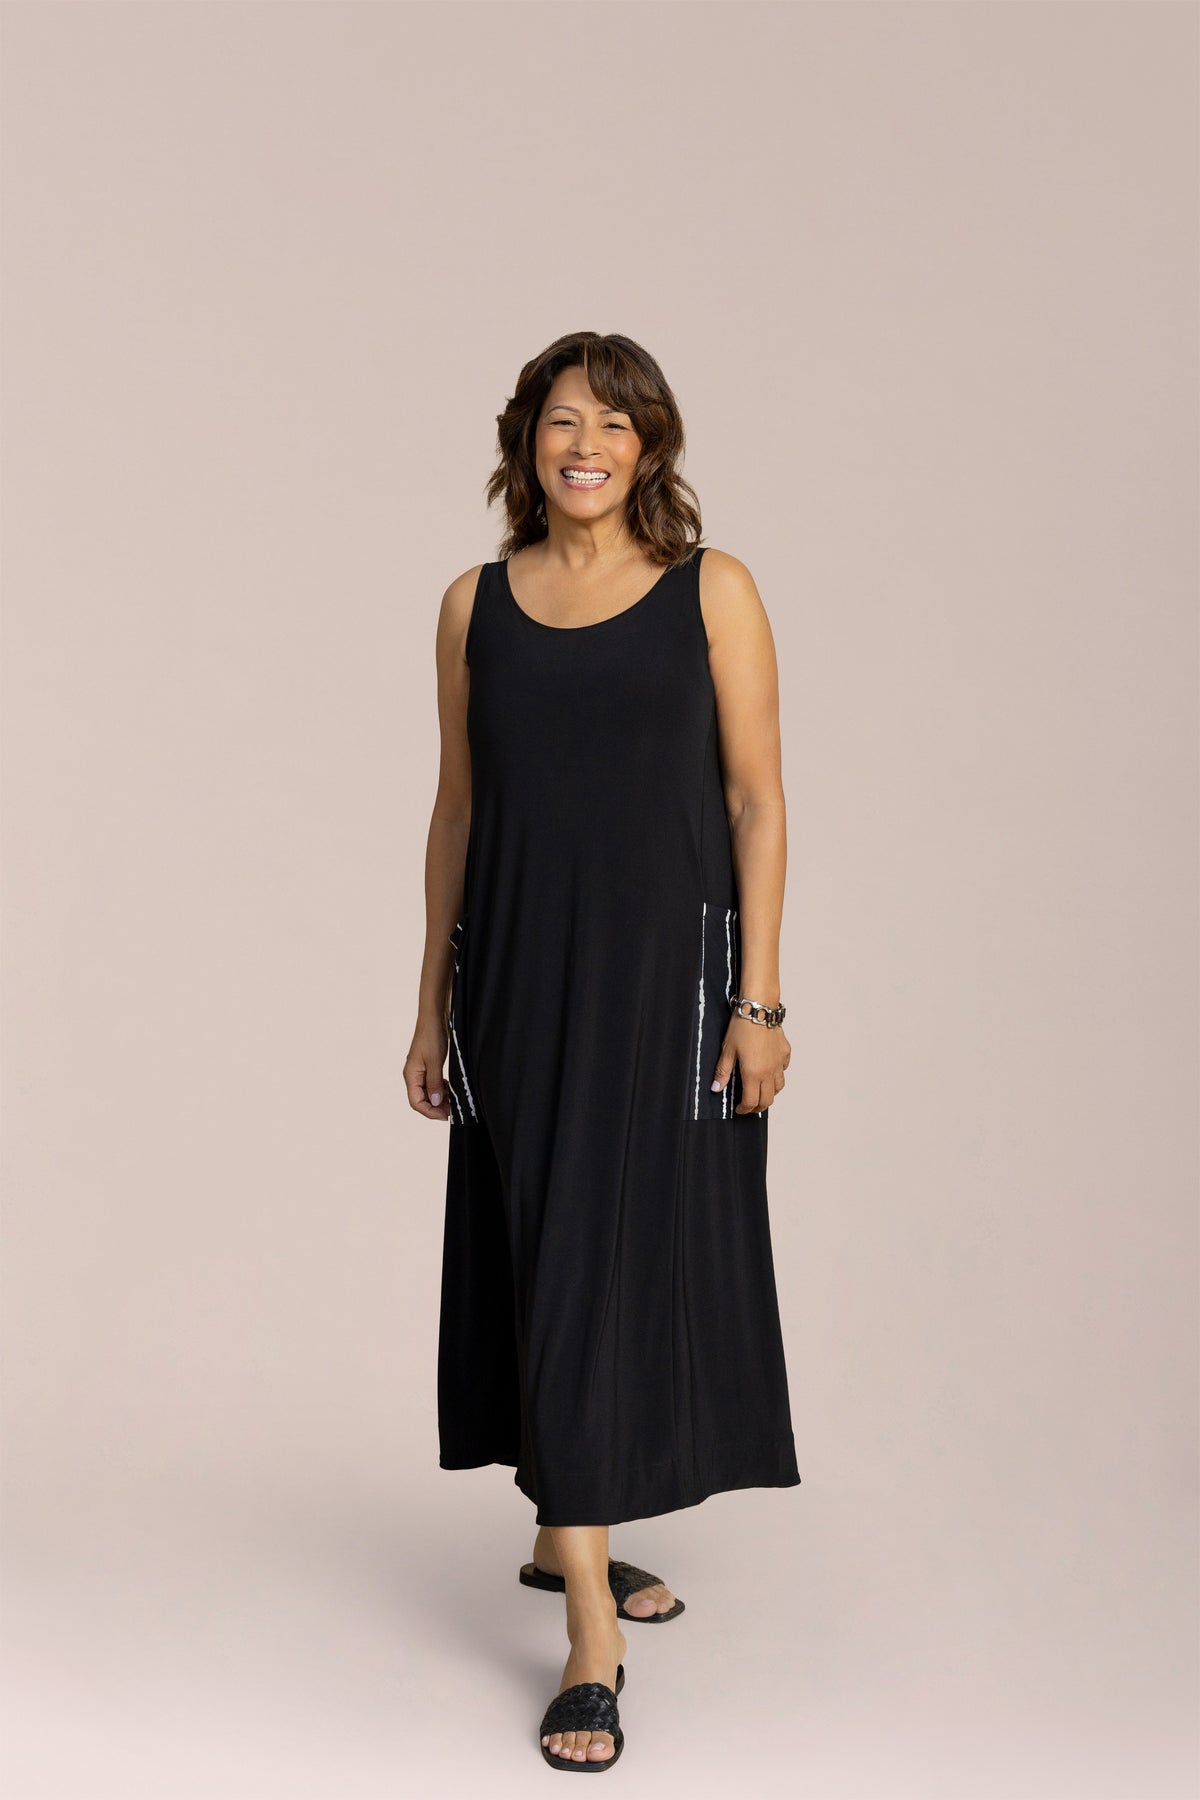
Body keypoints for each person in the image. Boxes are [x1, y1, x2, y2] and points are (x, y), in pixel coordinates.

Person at [405, 331, 801, 1770]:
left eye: (616, 424)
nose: (587, 446)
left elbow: (756, 801)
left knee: (624, 1258)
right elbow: (457, 812)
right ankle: (590, 1626)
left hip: (666, 989)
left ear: (651, 448)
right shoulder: (472, 607)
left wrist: (759, 1001)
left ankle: (563, 1523)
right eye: (564, 421)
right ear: (528, 440)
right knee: (549, 1254)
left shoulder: (713, 591)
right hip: (519, 978)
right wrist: (430, 1002)